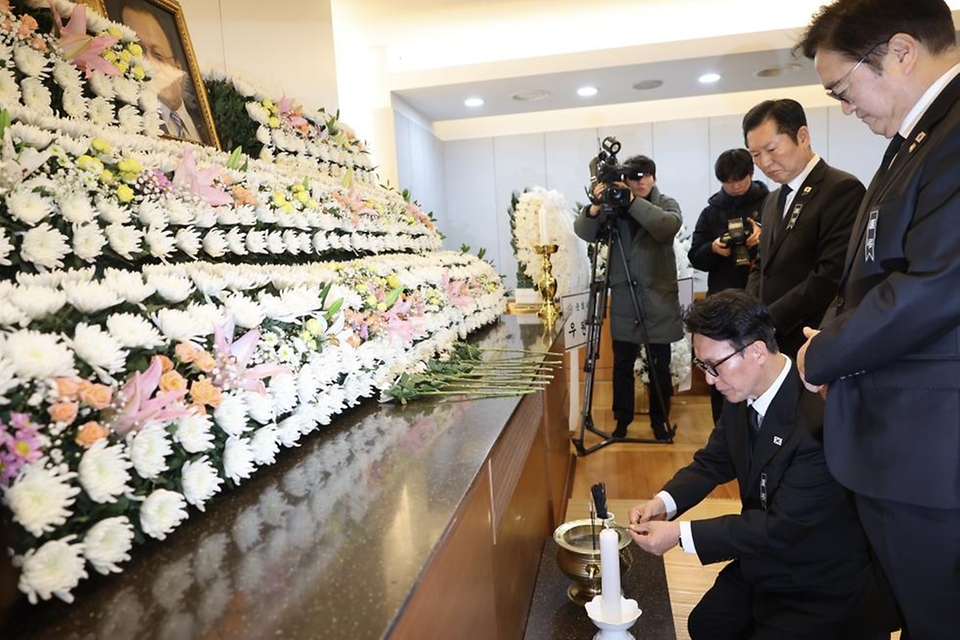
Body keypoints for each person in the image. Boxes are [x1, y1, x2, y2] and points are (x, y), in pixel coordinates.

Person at [796, 1, 960, 637]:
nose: (846, 107)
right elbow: (867, 270)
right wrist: (834, 335)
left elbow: (936, 284)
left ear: (899, 51)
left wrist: (824, 354)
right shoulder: (916, 140)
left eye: (842, 89)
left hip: (931, 448)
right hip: (903, 443)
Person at [627, 290, 893, 640]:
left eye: (714, 366)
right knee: (706, 624)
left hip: (819, 584)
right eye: (702, 366)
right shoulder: (740, 392)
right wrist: (663, 503)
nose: (708, 379)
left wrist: (679, 535)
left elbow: (779, 528)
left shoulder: (818, 417)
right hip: (765, 562)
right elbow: (712, 463)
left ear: (755, 350)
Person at [743, 99, 863, 358]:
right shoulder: (772, 199)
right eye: (755, 155)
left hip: (813, 336)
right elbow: (763, 265)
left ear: (803, 136)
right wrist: (751, 312)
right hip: (771, 340)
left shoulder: (840, 188)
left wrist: (769, 319)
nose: (764, 162)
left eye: (772, 149)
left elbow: (829, 275)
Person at [574, 154, 683, 441]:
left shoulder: (665, 204)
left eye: (646, 175)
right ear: (625, 179)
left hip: (658, 299)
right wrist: (597, 205)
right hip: (624, 297)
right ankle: (621, 422)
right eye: (634, 177)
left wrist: (632, 202)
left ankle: (660, 423)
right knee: (622, 364)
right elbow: (585, 232)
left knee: (660, 366)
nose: (640, 181)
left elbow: (666, 227)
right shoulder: (614, 209)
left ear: (654, 178)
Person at [689, 148, 767, 423]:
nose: (734, 187)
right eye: (727, 182)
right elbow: (695, 256)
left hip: (760, 300)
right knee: (720, 368)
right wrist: (713, 249)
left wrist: (762, 238)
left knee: (759, 367)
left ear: (751, 174)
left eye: (740, 180)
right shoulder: (711, 213)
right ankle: (722, 428)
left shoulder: (770, 203)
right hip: (721, 303)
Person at [117, 0, 205, 143]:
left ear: (178, 68)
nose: (147, 65)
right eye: (136, 51)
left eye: (158, 55)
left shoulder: (204, 124)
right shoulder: (130, 120)